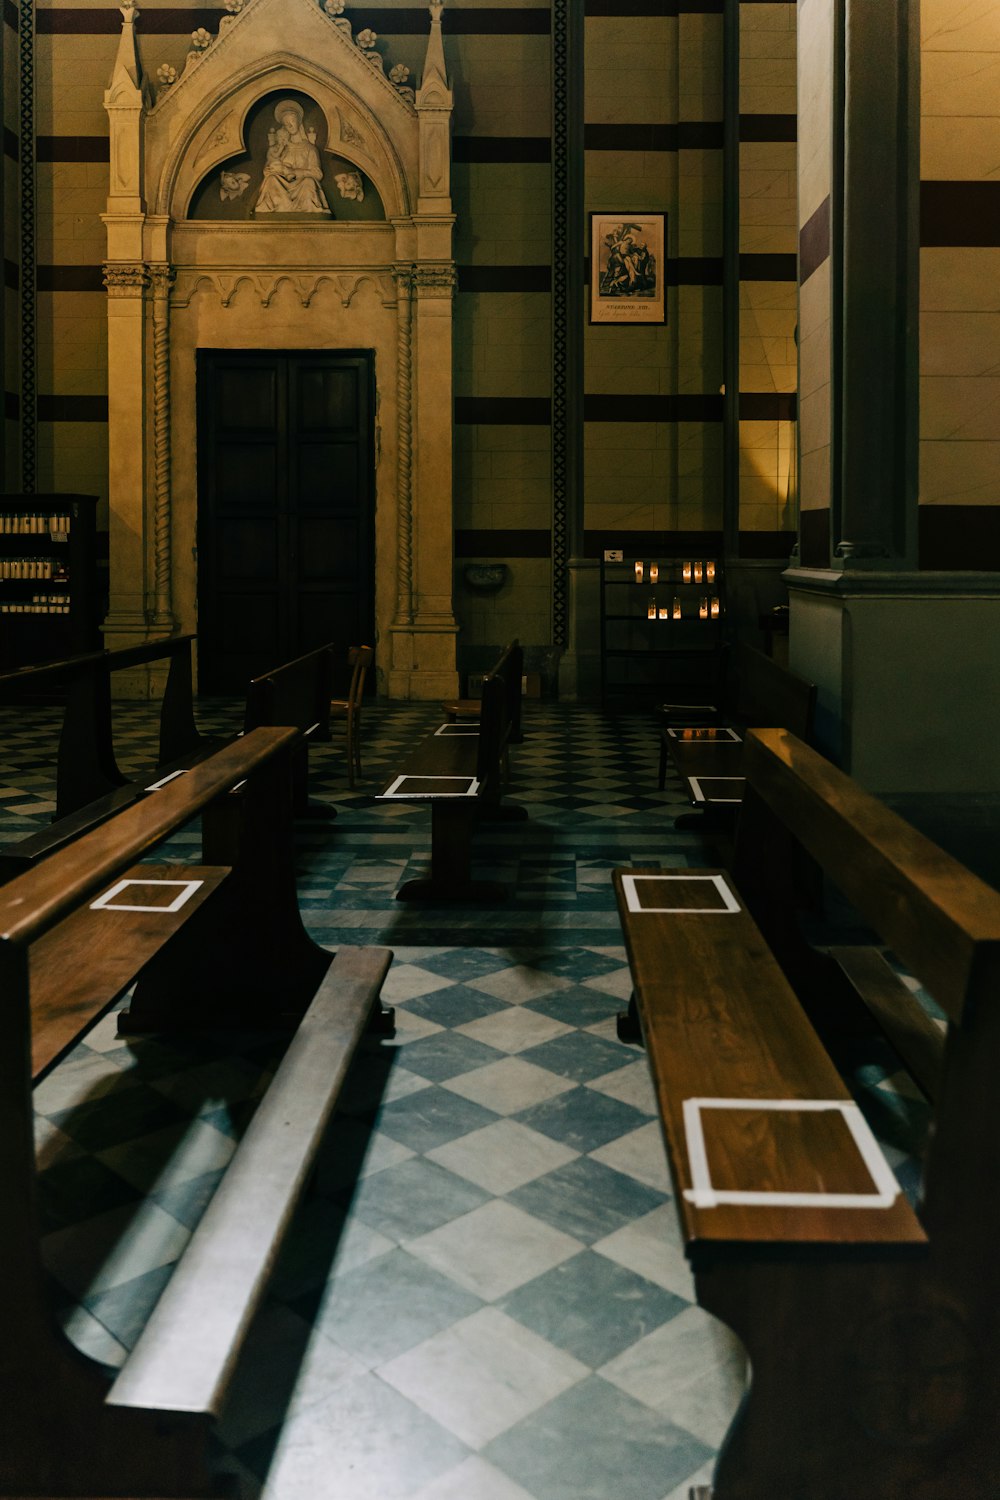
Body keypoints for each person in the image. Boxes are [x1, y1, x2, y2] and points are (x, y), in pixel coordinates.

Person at [253, 100, 330, 216]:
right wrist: (269, 170)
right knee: (271, 180)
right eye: (286, 123)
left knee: (309, 182)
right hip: (281, 186)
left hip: (302, 187)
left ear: (299, 122)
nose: (290, 125)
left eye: (292, 121)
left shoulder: (310, 148)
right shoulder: (278, 148)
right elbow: (267, 170)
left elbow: (317, 174)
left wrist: (294, 172)